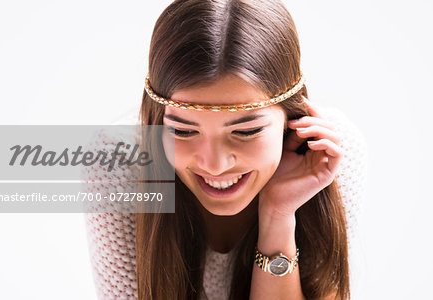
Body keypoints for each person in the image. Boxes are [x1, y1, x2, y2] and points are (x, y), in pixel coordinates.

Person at [83, 0, 367, 299]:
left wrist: (279, 215)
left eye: (245, 131)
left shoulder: (327, 155)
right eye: (183, 130)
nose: (215, 164)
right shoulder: (116, 163)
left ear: (289, 116)